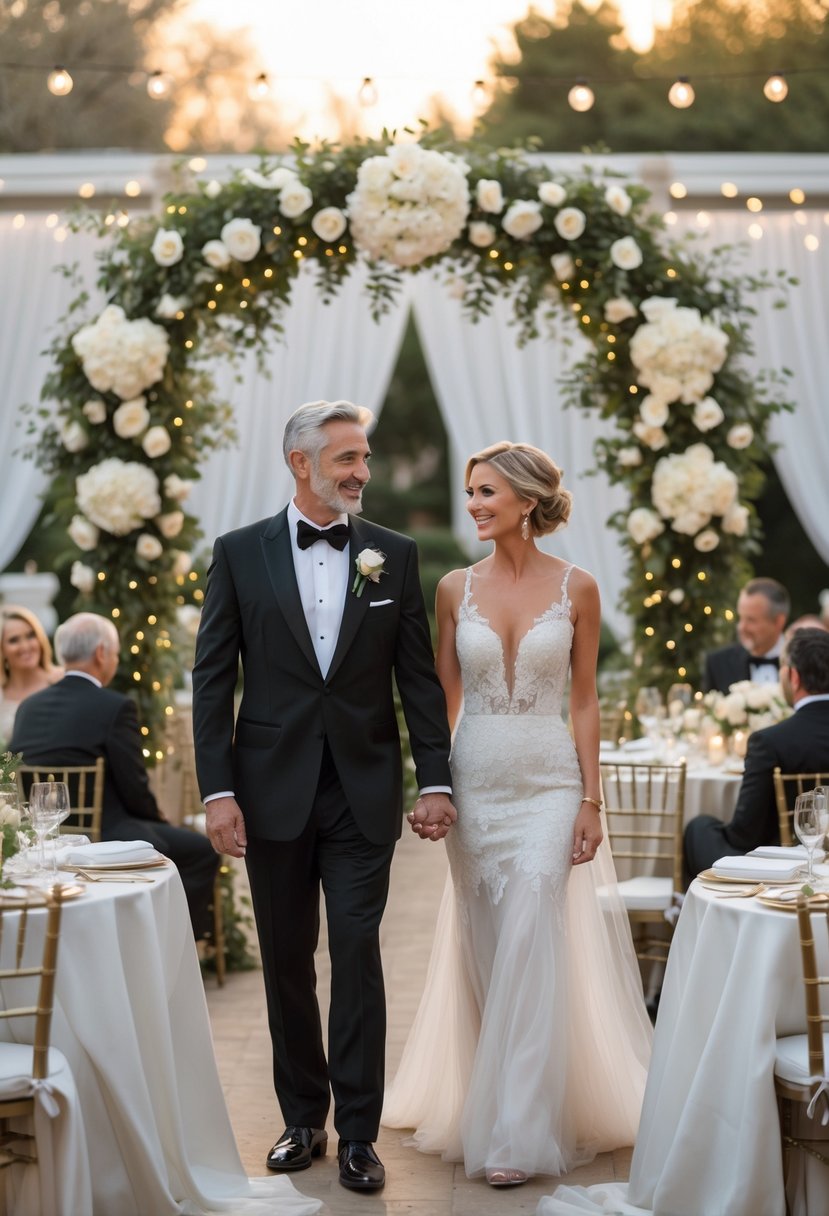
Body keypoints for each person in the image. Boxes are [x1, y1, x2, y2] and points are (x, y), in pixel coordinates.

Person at [191, 400, 455, 1193]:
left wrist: (434, 778)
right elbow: (212, 679)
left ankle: (359, 1136)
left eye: (365, 458)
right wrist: (217, 791)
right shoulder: (239, 554)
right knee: (283, 962)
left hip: (362, 790)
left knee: (356, 953)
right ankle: (301, 1119)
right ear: (300, 463)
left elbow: (417, 677)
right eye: (346, 459)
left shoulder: (394, 555)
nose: (361, 473)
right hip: (268, 792)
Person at [383, 442, 652, 1187]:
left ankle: (516, 1128)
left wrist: (591, 799)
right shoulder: (450, 589)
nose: (472, 505)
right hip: (474, 787)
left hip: (548, 785)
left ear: (526, 501)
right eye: (470, 492)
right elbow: (437, 704)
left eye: (485, 493)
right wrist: (429, 784)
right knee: (487, 945)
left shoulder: (578, 588)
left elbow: (585, 699)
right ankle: (486, 1096)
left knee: (533, 933)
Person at [10, 612, 218, 939]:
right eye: (117, 653)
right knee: (198, 851)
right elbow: (133, 783)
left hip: (45, 836)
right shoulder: (114, 706)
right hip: (106, 831)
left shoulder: (29, 707)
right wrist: (158, 817)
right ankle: (172, 947)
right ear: (101, 654)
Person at [685, 627, 829, 876]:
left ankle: (688, 909)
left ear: (794, 677)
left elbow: (744, 834)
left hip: (781, 867)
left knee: (700, 829)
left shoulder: (769, 741)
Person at [702, 577, 789, 693]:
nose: (741, 627)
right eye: (740, 618)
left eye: (751, 620)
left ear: (779, 621)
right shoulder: (718, 663)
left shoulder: (802, 663)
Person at [0, 604, 63, 744]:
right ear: (1, 650)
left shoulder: (62, 681)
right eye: (14, 640)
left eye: (30, 636)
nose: (26, 647)